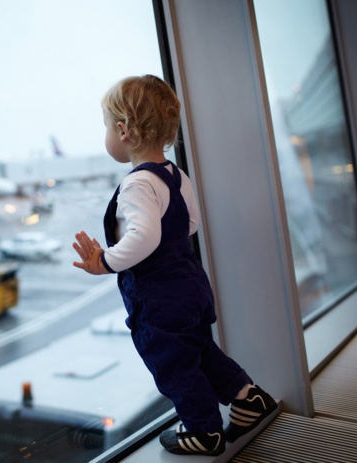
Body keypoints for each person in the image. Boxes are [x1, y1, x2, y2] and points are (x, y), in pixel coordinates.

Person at [72, 75, 277, 456]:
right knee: (199, 349)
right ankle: (249, 399)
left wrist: (106, 260)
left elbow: (145, 237)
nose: (106, 135)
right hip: (191, 285)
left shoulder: (137, 185)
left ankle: (204, 430)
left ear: (124, 130)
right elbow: (191, 224)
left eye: (106, 126)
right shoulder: (174, 175)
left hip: (160, 298)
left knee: (172, 364)